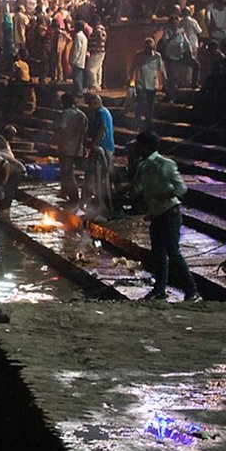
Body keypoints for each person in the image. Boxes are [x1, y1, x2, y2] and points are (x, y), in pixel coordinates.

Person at [131, 132, 201, 302]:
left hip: (170, 214)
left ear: (146, 147)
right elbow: (138, 187)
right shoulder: (143, 165)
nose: (136, 148)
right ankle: (159, 290)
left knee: (173, 252)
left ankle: (192, 291)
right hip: (156, 215)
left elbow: (181, 188)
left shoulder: (165, 164)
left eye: (138, 145)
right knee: (158, 254)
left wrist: (165, 195)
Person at [52, 92, 88, 206]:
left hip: (66, 148)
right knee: (70, 172)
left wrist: (54, 136)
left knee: (67, 173)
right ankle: (67, 193)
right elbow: (85, 133)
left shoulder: (66, 113)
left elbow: (61, 128)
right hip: (78, 148)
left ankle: (74, 198)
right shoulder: (82, 115)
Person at [84, 92, 115, 218]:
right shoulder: (104, 111)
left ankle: (102, 204)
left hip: (103, 147)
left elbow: (102, 129)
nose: (89, 107)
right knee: (100, 176)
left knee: (101, 176)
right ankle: (99, 201)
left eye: (90, 104)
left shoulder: (101, 112)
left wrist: (93, 145)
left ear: (95, 102)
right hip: (106, 146)